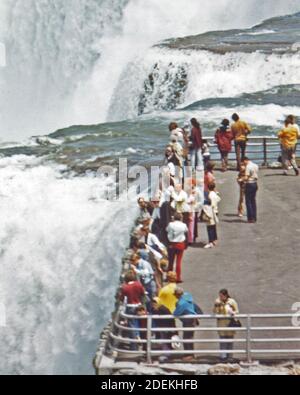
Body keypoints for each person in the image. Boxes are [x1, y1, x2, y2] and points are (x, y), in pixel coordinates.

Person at [120, 271, 146, 350]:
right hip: (139, 306)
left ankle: (134, 346)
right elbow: (143, 294)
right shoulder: (139, 284)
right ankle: (140, 337)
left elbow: (121, 298)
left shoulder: (125, 287)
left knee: (132, 326)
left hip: (130, 307)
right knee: (139, 323)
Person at [214, 289, 239, 362]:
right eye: (219, 296)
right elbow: (215, 312)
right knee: (222, 340)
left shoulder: (232, 301)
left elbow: (237, 311)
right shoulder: (217, 301)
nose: (220, 297)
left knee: (230, 341)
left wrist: (233, 312)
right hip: (221, 324)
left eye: (221, 296)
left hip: (230, 324)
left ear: (225, 295)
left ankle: (230, 356)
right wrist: (216, 306)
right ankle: (223, 356)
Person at [173, 288, 198, 361]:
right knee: (189, 337)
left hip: (188, 320)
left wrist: (176, 305)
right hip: (193, 319)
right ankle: (190, 353)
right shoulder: (187, 296)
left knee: (186, 337)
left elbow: (176, 313)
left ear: (177, 295)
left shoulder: (181, 303)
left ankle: (189, 355)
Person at [166, 213, 188, 283]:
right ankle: (178, 277)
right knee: (179, 261)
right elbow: (186, 231)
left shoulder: (171, 224)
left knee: (171, 261)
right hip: (181, 243)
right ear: (181, 218)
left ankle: (169, 276)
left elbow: (166, 230)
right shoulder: (183, 225)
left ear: (174, 218)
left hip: (172, 243)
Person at [204, 183, 221, 249]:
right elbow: (218, 199)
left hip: (211, 212)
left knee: (210, 227)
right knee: (213, 227)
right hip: (215, 211)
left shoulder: (210, 195)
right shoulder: (214, 194)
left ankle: (210, 242)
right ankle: (214, 239)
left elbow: (212, 205)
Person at [244, 157, 259, 223]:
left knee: (248, 201)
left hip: (249, 184)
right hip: (255, 183)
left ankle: (250, 217)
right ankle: (254, 217)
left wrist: (242, 179)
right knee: (253, 201)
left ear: (245, 160)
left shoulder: (248, 167)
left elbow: (246, 177)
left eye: (243, 162)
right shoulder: (255, 165)